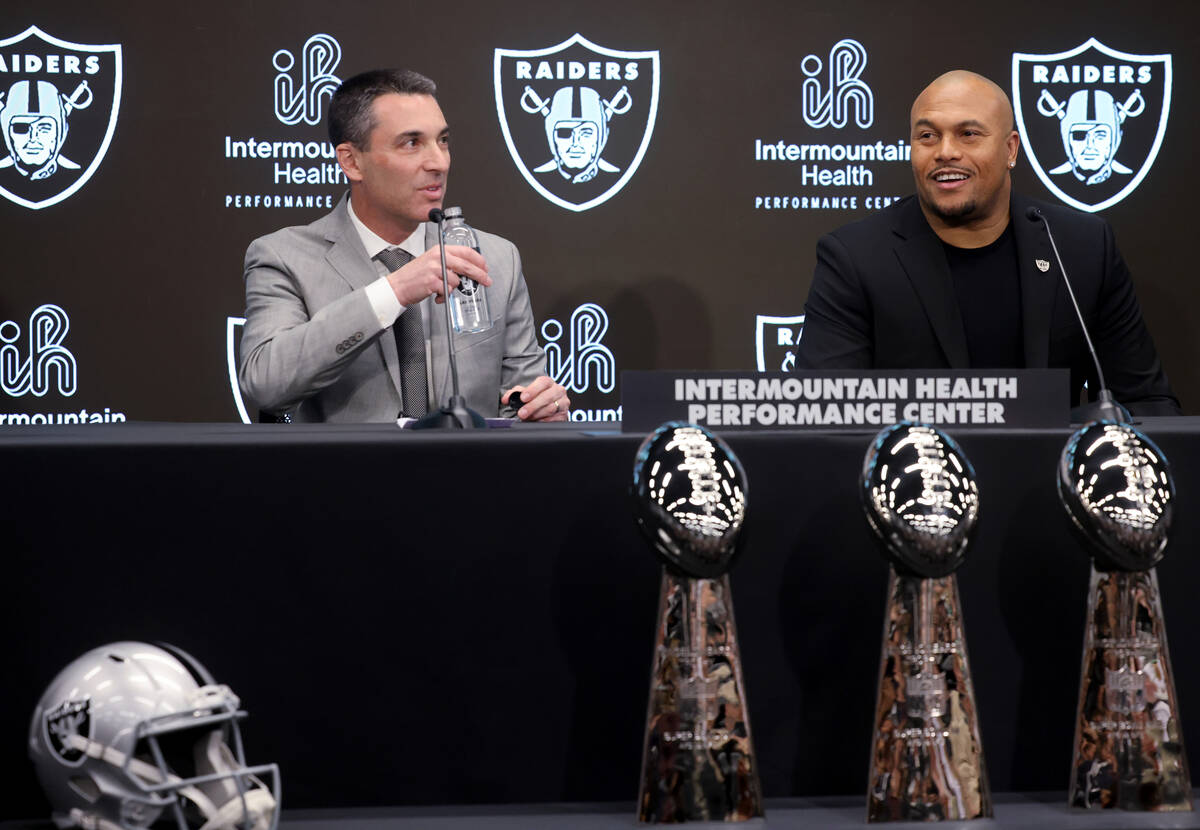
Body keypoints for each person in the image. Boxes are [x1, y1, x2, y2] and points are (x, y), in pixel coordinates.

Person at [795, 70, 1180, 416]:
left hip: (1049, 485)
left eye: (969, 134)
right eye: (927, 136)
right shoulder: (856, 256)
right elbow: (825, 413)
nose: (945, 151)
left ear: (1011, 149)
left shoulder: (1080, 246)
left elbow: (1143, 401)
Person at [239, 69, 569, 423]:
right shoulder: (285, 257)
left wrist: (539, 409)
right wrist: (394, 291)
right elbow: (265, 383)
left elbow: (518, 401)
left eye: (442, 141)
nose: (439, 162)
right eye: (411, 143)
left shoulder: (496, 258)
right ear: (352, 161)